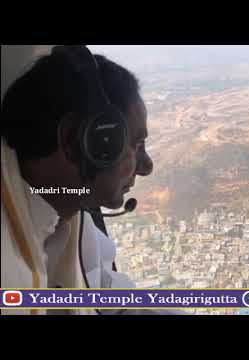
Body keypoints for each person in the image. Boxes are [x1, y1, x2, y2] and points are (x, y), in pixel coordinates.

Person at [1, 45, 174, 315]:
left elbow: (112, 300)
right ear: (72, 141)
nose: (147, 167)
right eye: (136, 144)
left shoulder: (68, 214)